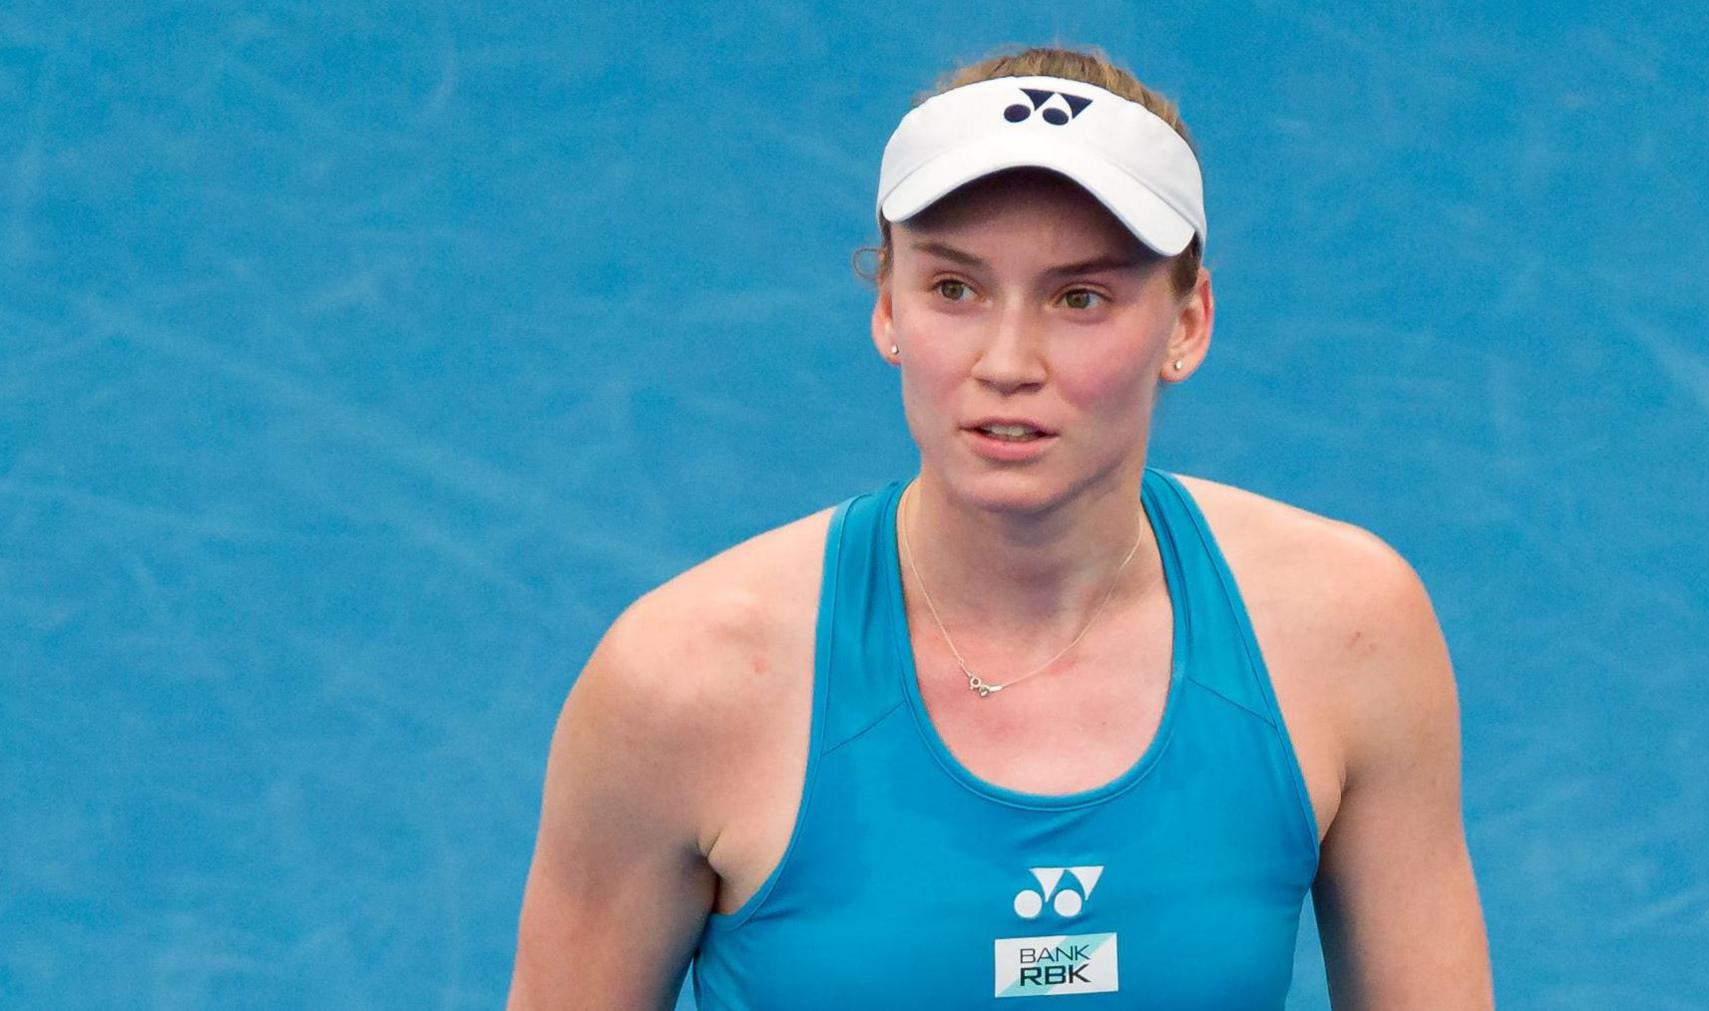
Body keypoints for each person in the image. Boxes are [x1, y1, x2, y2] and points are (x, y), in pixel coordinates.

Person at [506, 45, 1493, 1010]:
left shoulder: (1347, 630)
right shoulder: (684, 683)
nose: (1008, 360)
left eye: (1079, 298)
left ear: (1187, 324)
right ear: (887, 306)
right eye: (955, 290)